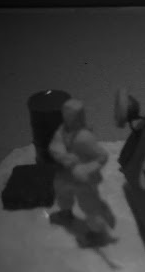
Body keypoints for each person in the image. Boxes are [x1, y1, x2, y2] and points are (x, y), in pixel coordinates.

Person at [49, 98, 115, 245]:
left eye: (71, 115)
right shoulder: (62, 131)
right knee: (63, 195)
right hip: (65, 175)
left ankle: (97, 234)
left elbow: (102, 156)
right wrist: (66, 158)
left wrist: (85, 169)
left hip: (84, 181)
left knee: (90, 207)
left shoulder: (85, 137)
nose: (68, 118)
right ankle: (66, 214)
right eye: (66, 114)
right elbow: (55, 147)